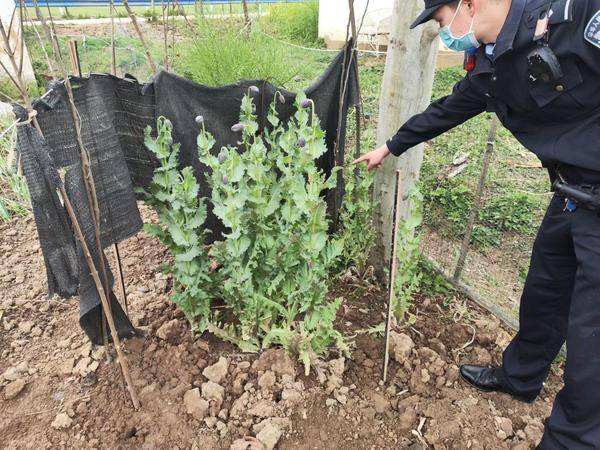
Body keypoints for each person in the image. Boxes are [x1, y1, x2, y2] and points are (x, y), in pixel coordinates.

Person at [353, 0, 600, 448]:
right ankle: (521, 378)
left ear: (469, 4)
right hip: (573, 192)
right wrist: (390, 145)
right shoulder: (492, 65)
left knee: (591, 335)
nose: (445, 33)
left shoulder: (575, 14)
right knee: (545, 290)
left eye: (442, 21)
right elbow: (449, 108)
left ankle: (572, 439)